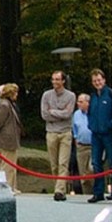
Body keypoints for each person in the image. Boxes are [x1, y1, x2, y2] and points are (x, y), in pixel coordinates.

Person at [40, 70, 76, 201]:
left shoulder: (71, 96)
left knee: (63, 163)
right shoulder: (46, 95)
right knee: (54, 164)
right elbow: (44, 114)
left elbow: (68, 114)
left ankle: (59, 190)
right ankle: (59, 187)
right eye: (53, 79)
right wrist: (60, 113)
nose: (54, 82)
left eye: (57, 79)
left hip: (65, 133)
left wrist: (53, 112)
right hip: (51, 133)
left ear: (63, 81)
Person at [87, 68, 112, 203]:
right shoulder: (93, 96)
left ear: (104, 80)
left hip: (109, 134)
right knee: (96, 163)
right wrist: (91, 124)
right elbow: (90, 113)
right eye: (94, 81)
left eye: (99, 80)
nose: (97, 83)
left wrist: (110, 125)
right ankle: (98, 192)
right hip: (95, 134)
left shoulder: (111, 95)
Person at [0, 83, 22, 193]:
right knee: (7, 166)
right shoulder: (4, 105)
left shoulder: (8, 104)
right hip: (7, 140)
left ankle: (11, 187)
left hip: (9, 139)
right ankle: (6, 187)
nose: (17, 95)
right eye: (15, 93)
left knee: (11, 166)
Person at [72, 93, 93, 196]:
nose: (78, 103)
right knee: (83, 173)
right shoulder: (76, 114)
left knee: (92, 170)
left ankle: (97, 192)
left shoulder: (94, 113)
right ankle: (86, 194)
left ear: (87, 103)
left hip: (94, 146)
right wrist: (76, 138)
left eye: (81, 102)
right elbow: (74, 129)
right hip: (81, 146)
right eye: (78, 101)